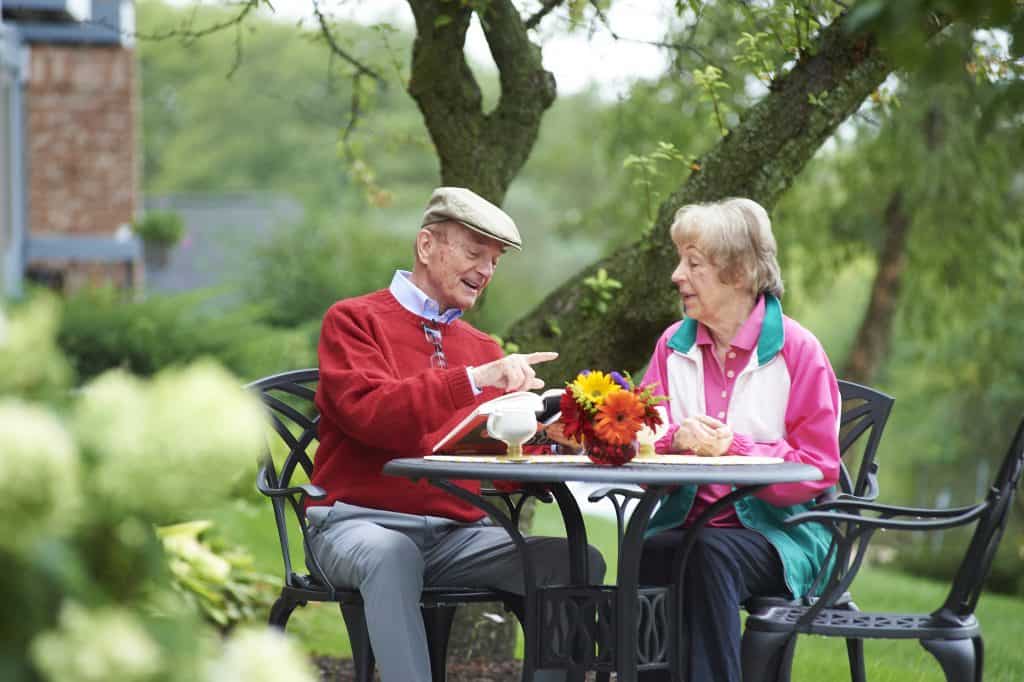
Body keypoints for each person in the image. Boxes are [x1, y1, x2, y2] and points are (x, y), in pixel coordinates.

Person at [306, 187, 605, 682]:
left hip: (458, 537)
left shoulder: (481, 345)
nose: (486, 271)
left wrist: (548, 437)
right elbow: (374, 416)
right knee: (392, 553)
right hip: (353, 526)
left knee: (576, 561)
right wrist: (476, 380)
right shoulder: (354, 320)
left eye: (495, 261)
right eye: (474, 253)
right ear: (427, 246)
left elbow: (496, 466)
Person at [638, 197, 841, 682]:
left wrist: (739, 450)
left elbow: (820, 468)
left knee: (706, 553)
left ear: (740, 271)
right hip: (687, 523)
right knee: (652, 553)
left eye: (693, 263)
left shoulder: (798, 350)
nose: (676, 276)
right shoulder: (673, 344)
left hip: (783, 534)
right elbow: (640, 434)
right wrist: (672, 441)